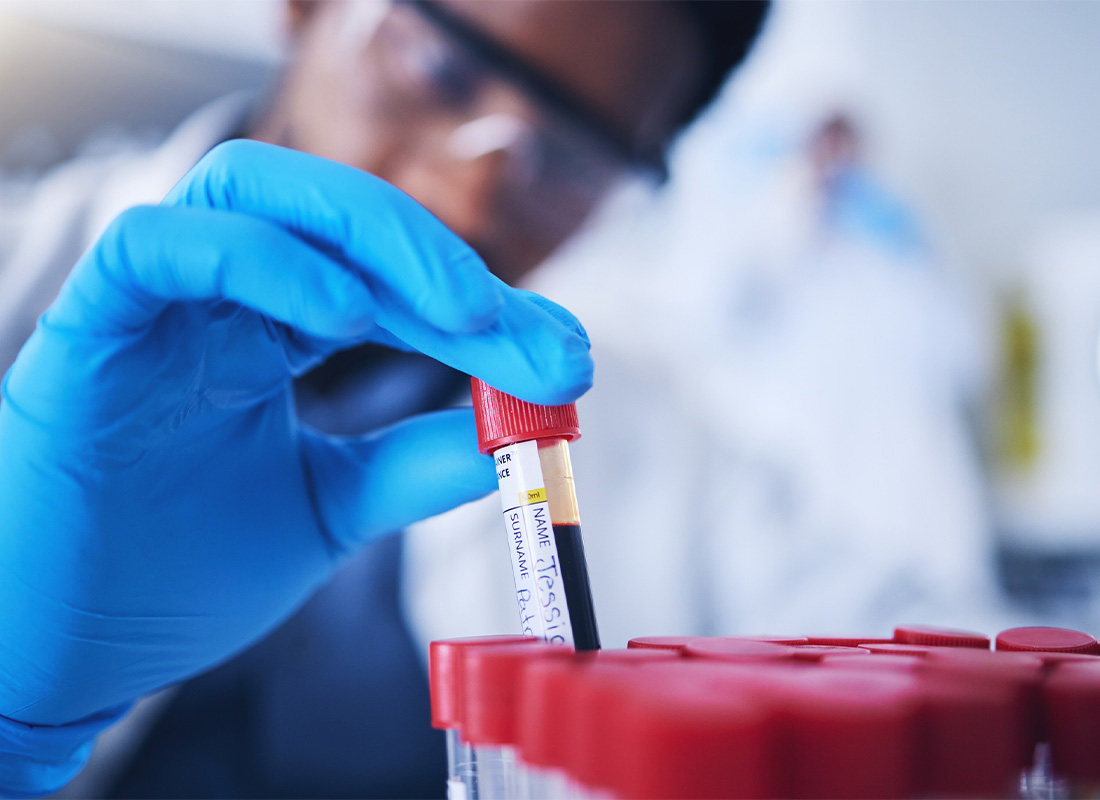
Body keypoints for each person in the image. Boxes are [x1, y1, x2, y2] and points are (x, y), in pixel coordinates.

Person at [0, 2, 769, 797]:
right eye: (441, 71)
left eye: (574, 159)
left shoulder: (681, 461)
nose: (471, 203)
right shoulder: (17, 268)